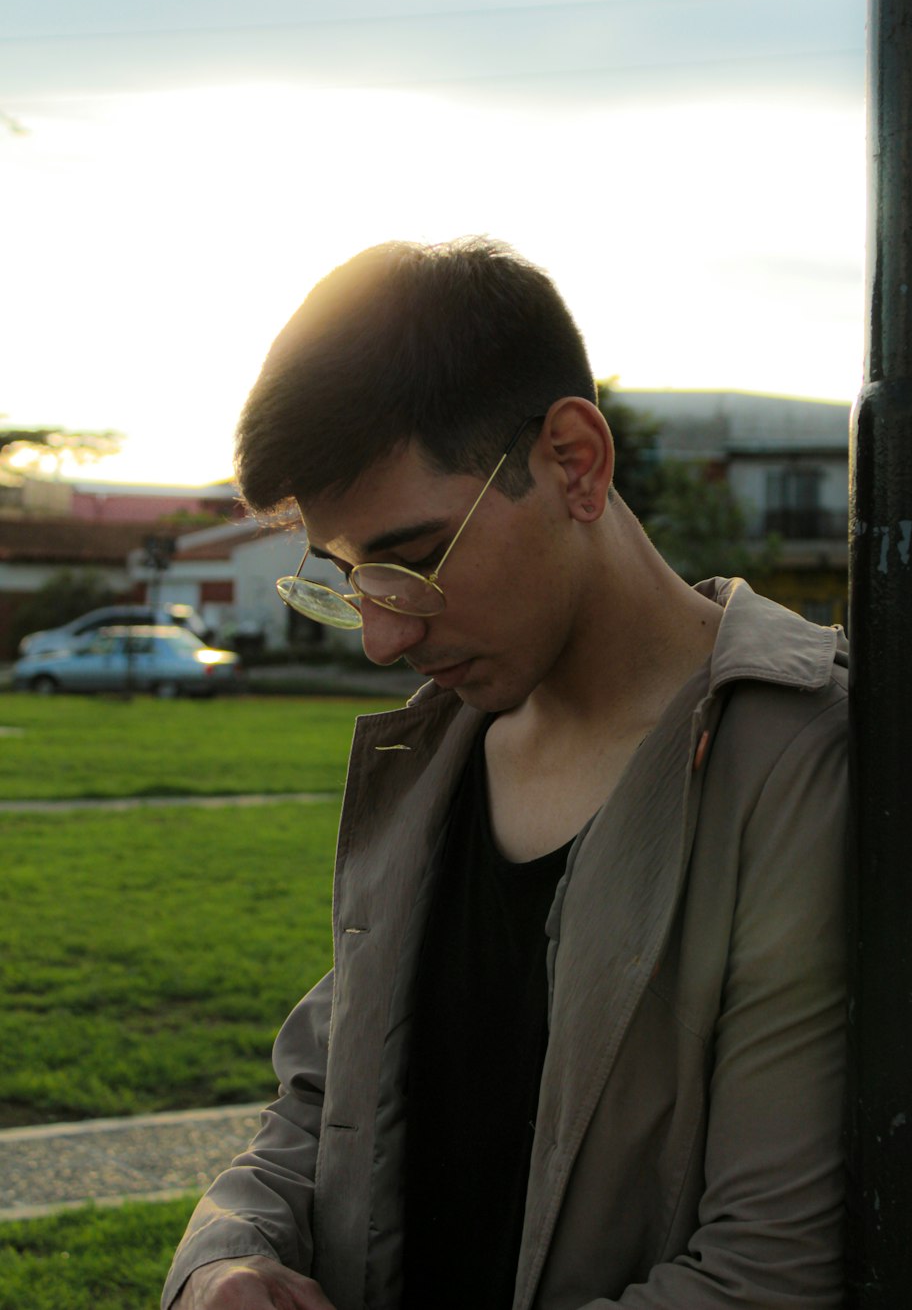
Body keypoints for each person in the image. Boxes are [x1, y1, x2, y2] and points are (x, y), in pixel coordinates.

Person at [163, 238, 847, 1310]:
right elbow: (317, 1109)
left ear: (573, 460)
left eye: (415, 558)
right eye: (348, 578)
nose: (382, 639)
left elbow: (771, 1271)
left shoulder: (801, 759)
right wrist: (222, 1267)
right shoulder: (431, 749)